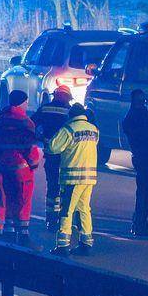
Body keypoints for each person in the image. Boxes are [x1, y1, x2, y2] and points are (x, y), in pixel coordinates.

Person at [0, 90, 44, 245]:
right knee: (21, 201)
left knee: (4, 199)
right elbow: (30, 149)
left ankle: (5, 233)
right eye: (26, 102)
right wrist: (33, 164)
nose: (27, 105)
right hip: (19, 169)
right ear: (22, 103)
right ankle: (24, 236)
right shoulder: (26, 122)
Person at [47, 102, 101, 254]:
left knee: (66, 210)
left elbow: (53, 147)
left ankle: (63, 245)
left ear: (71, 115)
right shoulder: (94, 130)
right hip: (89, 177)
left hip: (72, 178)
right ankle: (86, 242)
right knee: (84, 209)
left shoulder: (69, 129)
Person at [121, 90, 148, 236]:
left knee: (143, 192)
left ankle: (139, 222)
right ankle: (140, 224)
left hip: (142, 156)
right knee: (144, 193)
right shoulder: (139, 117)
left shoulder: (133, 116)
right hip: (145, 157)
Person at [31, 85, 75, 226]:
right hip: (67, 157)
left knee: (52, 187)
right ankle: (64, 218)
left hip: (51, 155)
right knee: (66, 188)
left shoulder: (45, 109)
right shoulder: (70, 112)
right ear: (68, 98)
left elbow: (31, 124)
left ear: (54, 95)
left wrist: (41, 137)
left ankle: (51, 218)